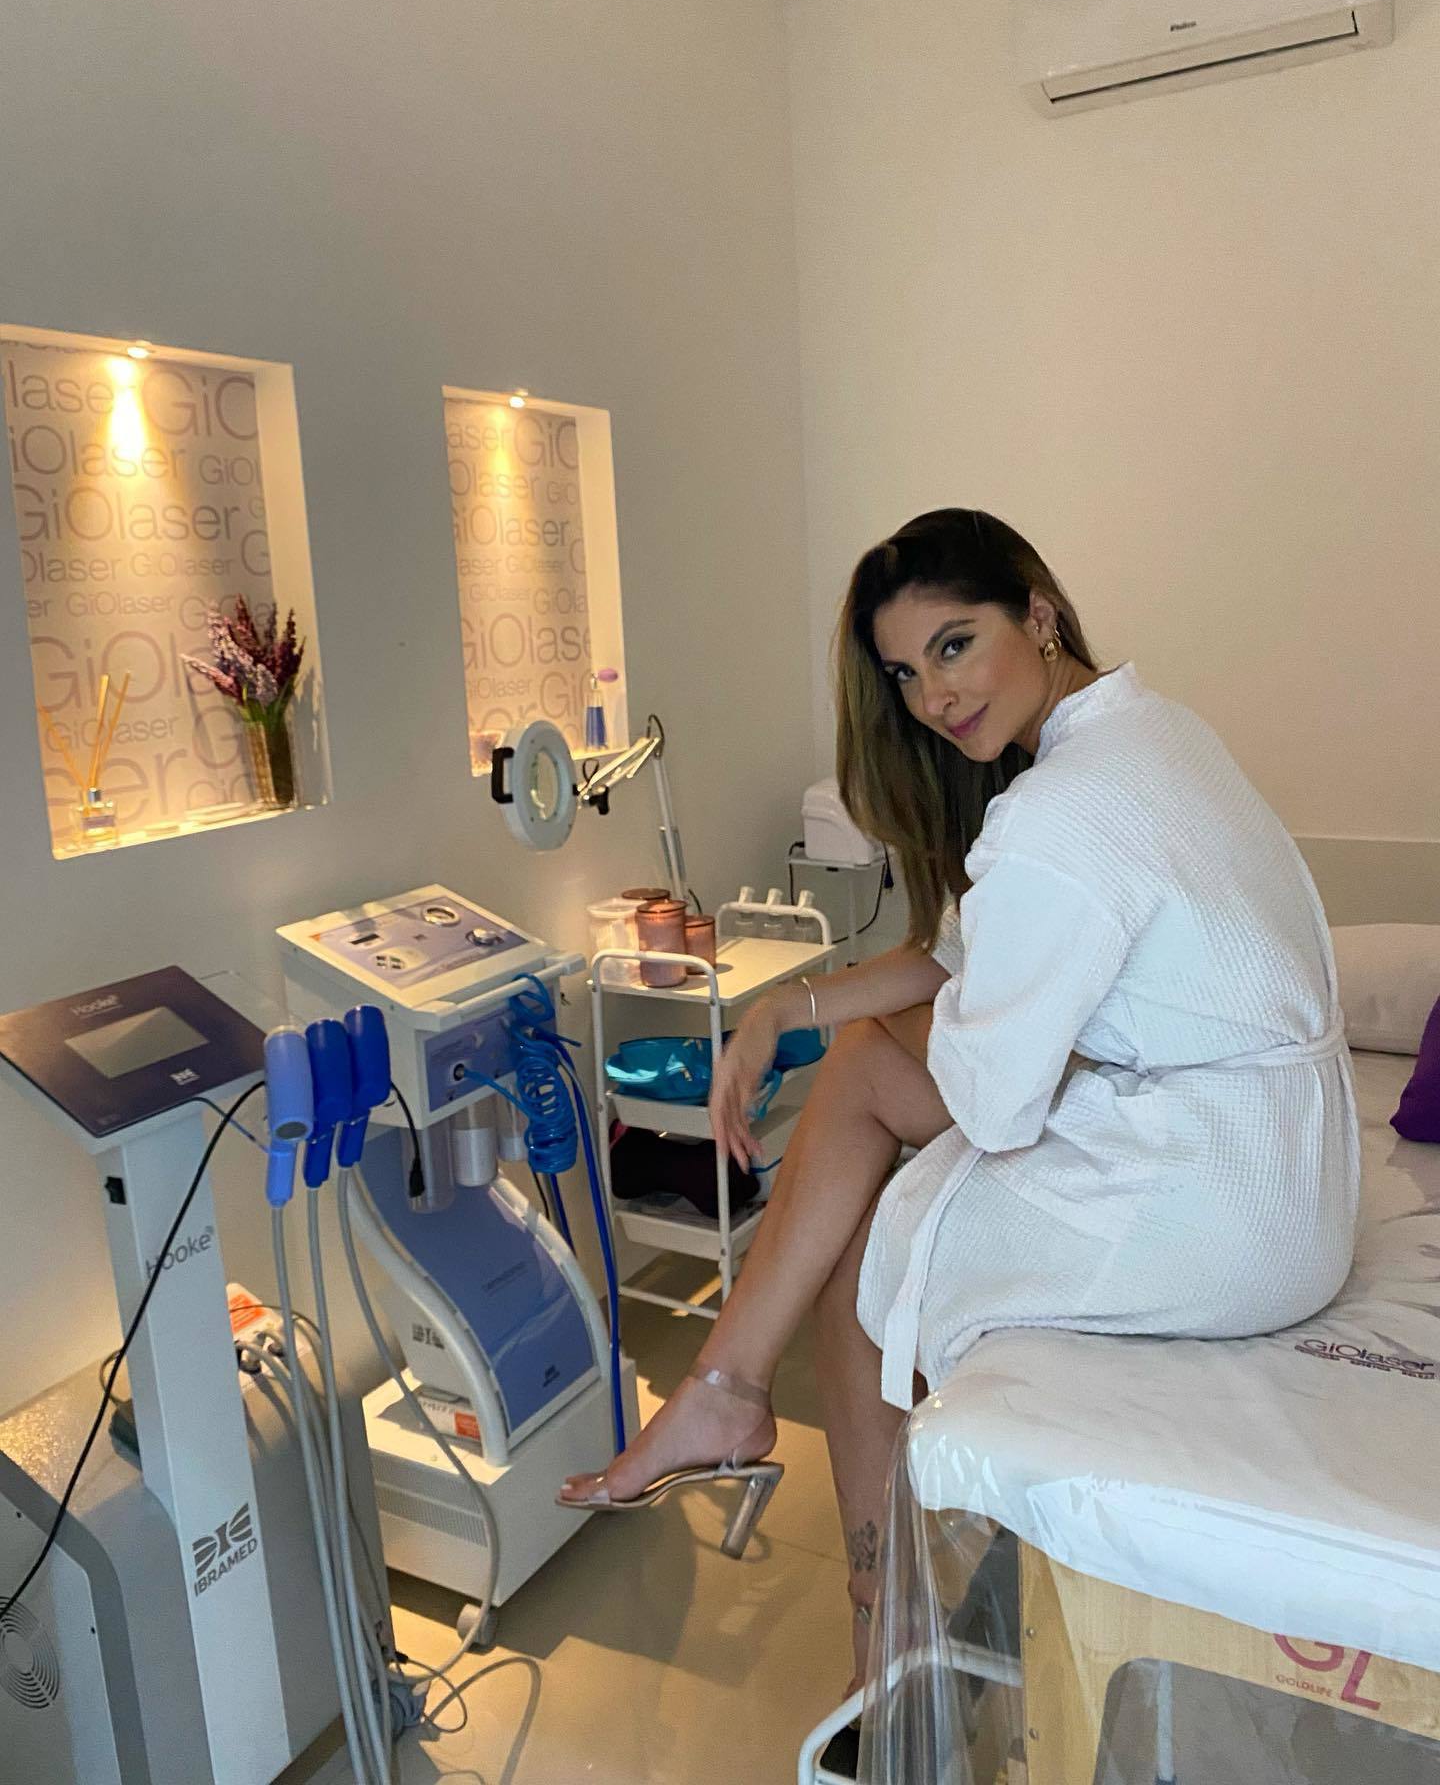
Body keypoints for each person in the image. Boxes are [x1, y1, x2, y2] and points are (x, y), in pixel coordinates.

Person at [559, 507, 1359, 1697]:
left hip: (1222, 1207)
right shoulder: (1153, 734)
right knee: (861, 1088)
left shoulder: (1059, 810)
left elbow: (990, 1105)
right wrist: (788, 1010)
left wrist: (860, 1043)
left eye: (954, 644)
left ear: (1037, 612)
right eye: (905, 672)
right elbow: (960, 955)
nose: (934, 697)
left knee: (866, 1262)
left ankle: (869, 1617)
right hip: (1296, 1175)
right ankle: (738, 1406)